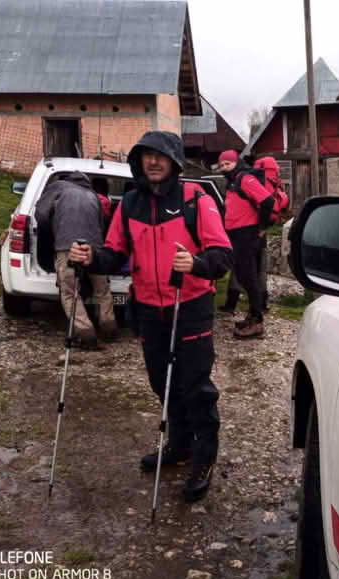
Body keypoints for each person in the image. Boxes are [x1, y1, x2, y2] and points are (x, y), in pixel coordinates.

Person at [68, 131, 233, 502]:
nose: (153, 162)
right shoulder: (129, 204)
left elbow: (223, 256)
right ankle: (180, 445)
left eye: (161, 156)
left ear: (174, 162)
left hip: (189, 308)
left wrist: (197, 264)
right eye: (147, 155)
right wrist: (91, 257)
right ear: (139, 161)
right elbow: (114, 254)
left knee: (197, 388)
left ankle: (204, 457)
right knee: (163, 383)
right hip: (147, 310)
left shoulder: (197, 200)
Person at [35, 171, 117, 349]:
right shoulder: (93, 195)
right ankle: (109, 327)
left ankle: (85, 333)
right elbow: (101, 223)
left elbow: (40, 214)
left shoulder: (58, 187)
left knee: (70, 292)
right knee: (102, 288)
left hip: (67, 247)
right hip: (94, 250)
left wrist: (54, 228)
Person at [217, 149, 275, 338]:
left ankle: (257, 322)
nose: (224, 168)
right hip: (236, 234)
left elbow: (268, 201)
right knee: (244, 276)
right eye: (222, 165)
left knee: (248, 277)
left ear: (237, 163)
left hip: (246, 234)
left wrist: (262, 226)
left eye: (228, 164)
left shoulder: (244, 179)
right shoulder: (233, 182)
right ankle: (253, 315)